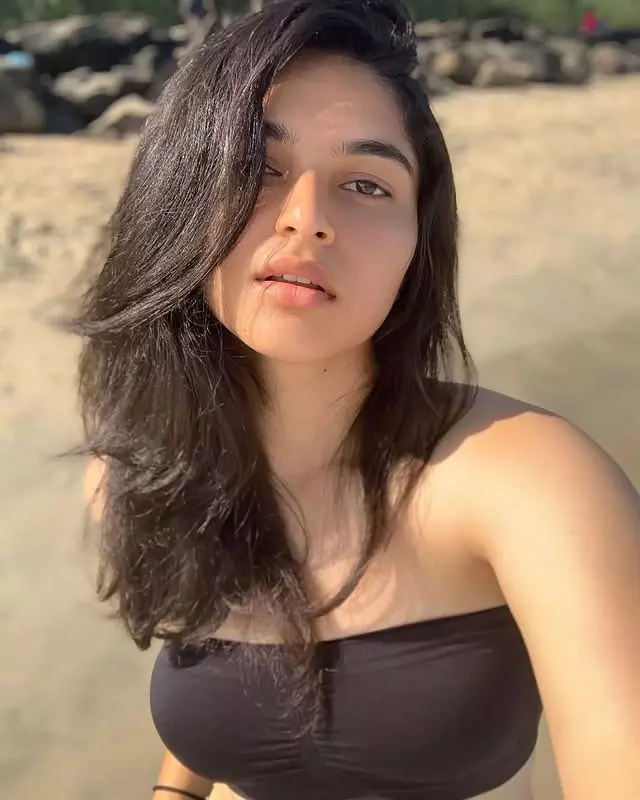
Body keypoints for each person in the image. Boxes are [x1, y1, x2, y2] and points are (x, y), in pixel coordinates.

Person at [76, 1, 640, 799]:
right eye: (258, 167)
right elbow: (223, 687)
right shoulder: (137, 481)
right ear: (178, 199)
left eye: (367, 184)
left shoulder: (528, 482)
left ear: (416, 247)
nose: (307, 220)